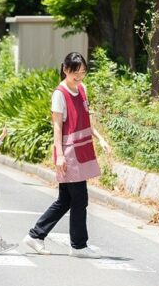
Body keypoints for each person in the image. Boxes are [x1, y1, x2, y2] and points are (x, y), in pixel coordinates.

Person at [23, 52, 110, 258]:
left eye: (82, 72)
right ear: (65, 69)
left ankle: (36, 236)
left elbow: (86, 119)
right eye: (75, 73)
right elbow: (56, 126)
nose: (79, 77)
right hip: (69, 152)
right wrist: (59, 155)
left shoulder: (82, 88)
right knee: (80, 199)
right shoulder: (59, 93)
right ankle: (78, 246)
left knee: (66, 200)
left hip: (82, 148)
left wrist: (100, 138)